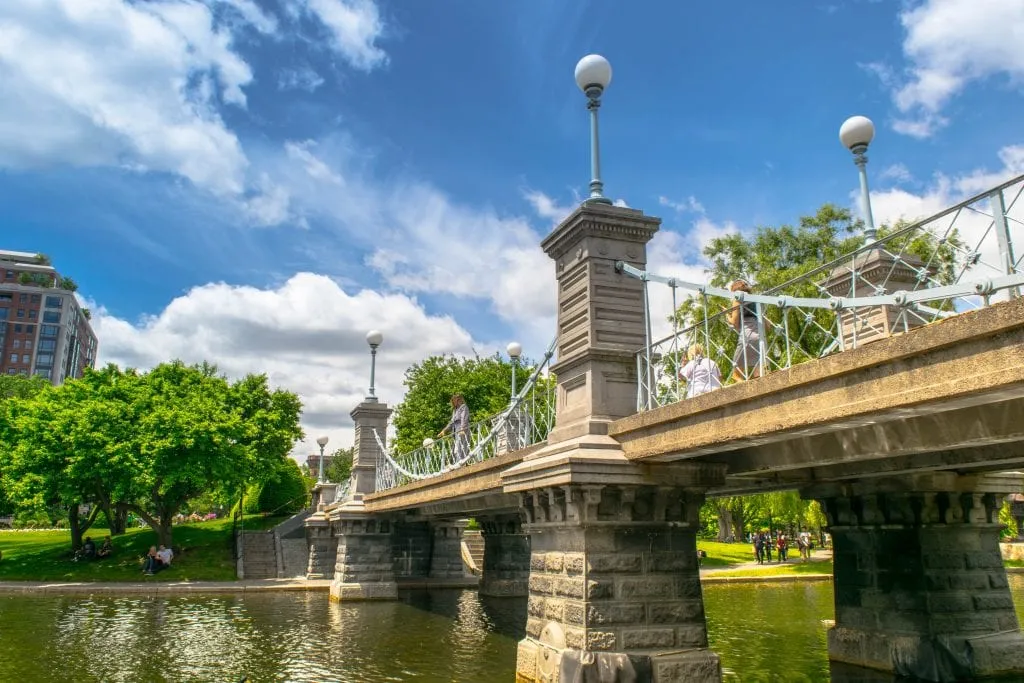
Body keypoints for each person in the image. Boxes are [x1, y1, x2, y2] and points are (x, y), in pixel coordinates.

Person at [726, 279, 762, 383]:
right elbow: (768, 326)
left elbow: (734, 322)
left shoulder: (738, 297)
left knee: (736, 375)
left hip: (747, 336)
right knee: (759, 376)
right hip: (759, 335)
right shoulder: (756, 300)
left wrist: (727, 315)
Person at [438, 394, 470, 464]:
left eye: (454, 400)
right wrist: (444, 430)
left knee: (461, 448)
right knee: (455, 449)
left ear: (459, 400)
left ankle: (461, 463)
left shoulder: (463, 407)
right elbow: (451, 422)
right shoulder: (455, 410)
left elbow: (464, 418)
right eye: (453, 401)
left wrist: (462, 429)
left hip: (462, 430)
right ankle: (456, 463)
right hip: (455, 432)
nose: (453, 402)